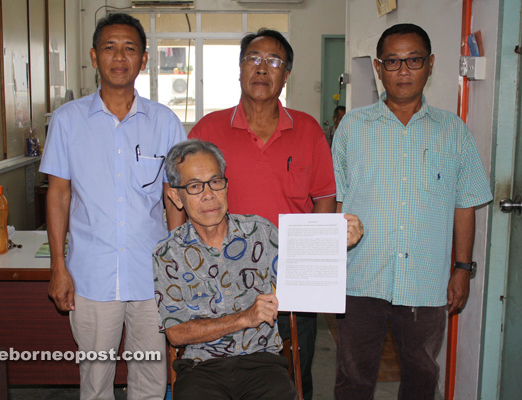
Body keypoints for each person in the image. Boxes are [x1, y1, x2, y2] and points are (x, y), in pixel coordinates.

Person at [189, 29, 355, 399]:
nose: (263, 68)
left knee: (293, 376)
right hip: (223, 282)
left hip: (291, 283)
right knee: (224, 375)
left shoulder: (308, 130)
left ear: (287, 74)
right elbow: (179, 198)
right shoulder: (208, 130)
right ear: (239, 68)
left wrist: (316, 262)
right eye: (254, 58)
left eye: (274, 61)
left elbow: (325, 198)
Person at [332, 23, 493, 400]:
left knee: (422, 377)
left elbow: (464, 204)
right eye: (393, 62)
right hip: (359, 277)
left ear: (431, 64)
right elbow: (337, 203)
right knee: (353, 377)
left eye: (414, 60)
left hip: (425, 281)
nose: (403, 71)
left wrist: (462, 269)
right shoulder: (352, 128)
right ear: (378, 66)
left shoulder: (453, 132)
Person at [39, 13, 186, 400]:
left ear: (144, 59)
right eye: (109, 47)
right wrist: (58, 268)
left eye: (129, 48)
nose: (119, 57)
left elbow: (175, 201)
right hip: (91, 278)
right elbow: (58, 195)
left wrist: (178, 271)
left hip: (151, 279)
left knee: (151, 383)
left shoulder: (165, 122)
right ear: (93, 56)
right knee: (96, 382)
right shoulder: (68, 120)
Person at [153, 139, 363, 399]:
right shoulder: (168, 253)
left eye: (215, 182)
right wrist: (244, 318)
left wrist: (336, 241)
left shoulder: (259, 232)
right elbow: (176, 333)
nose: (209, 195)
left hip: (262, 364)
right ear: (176, 196)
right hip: (201, 368)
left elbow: (302, 271)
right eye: (195, 186)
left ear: (226, 185)